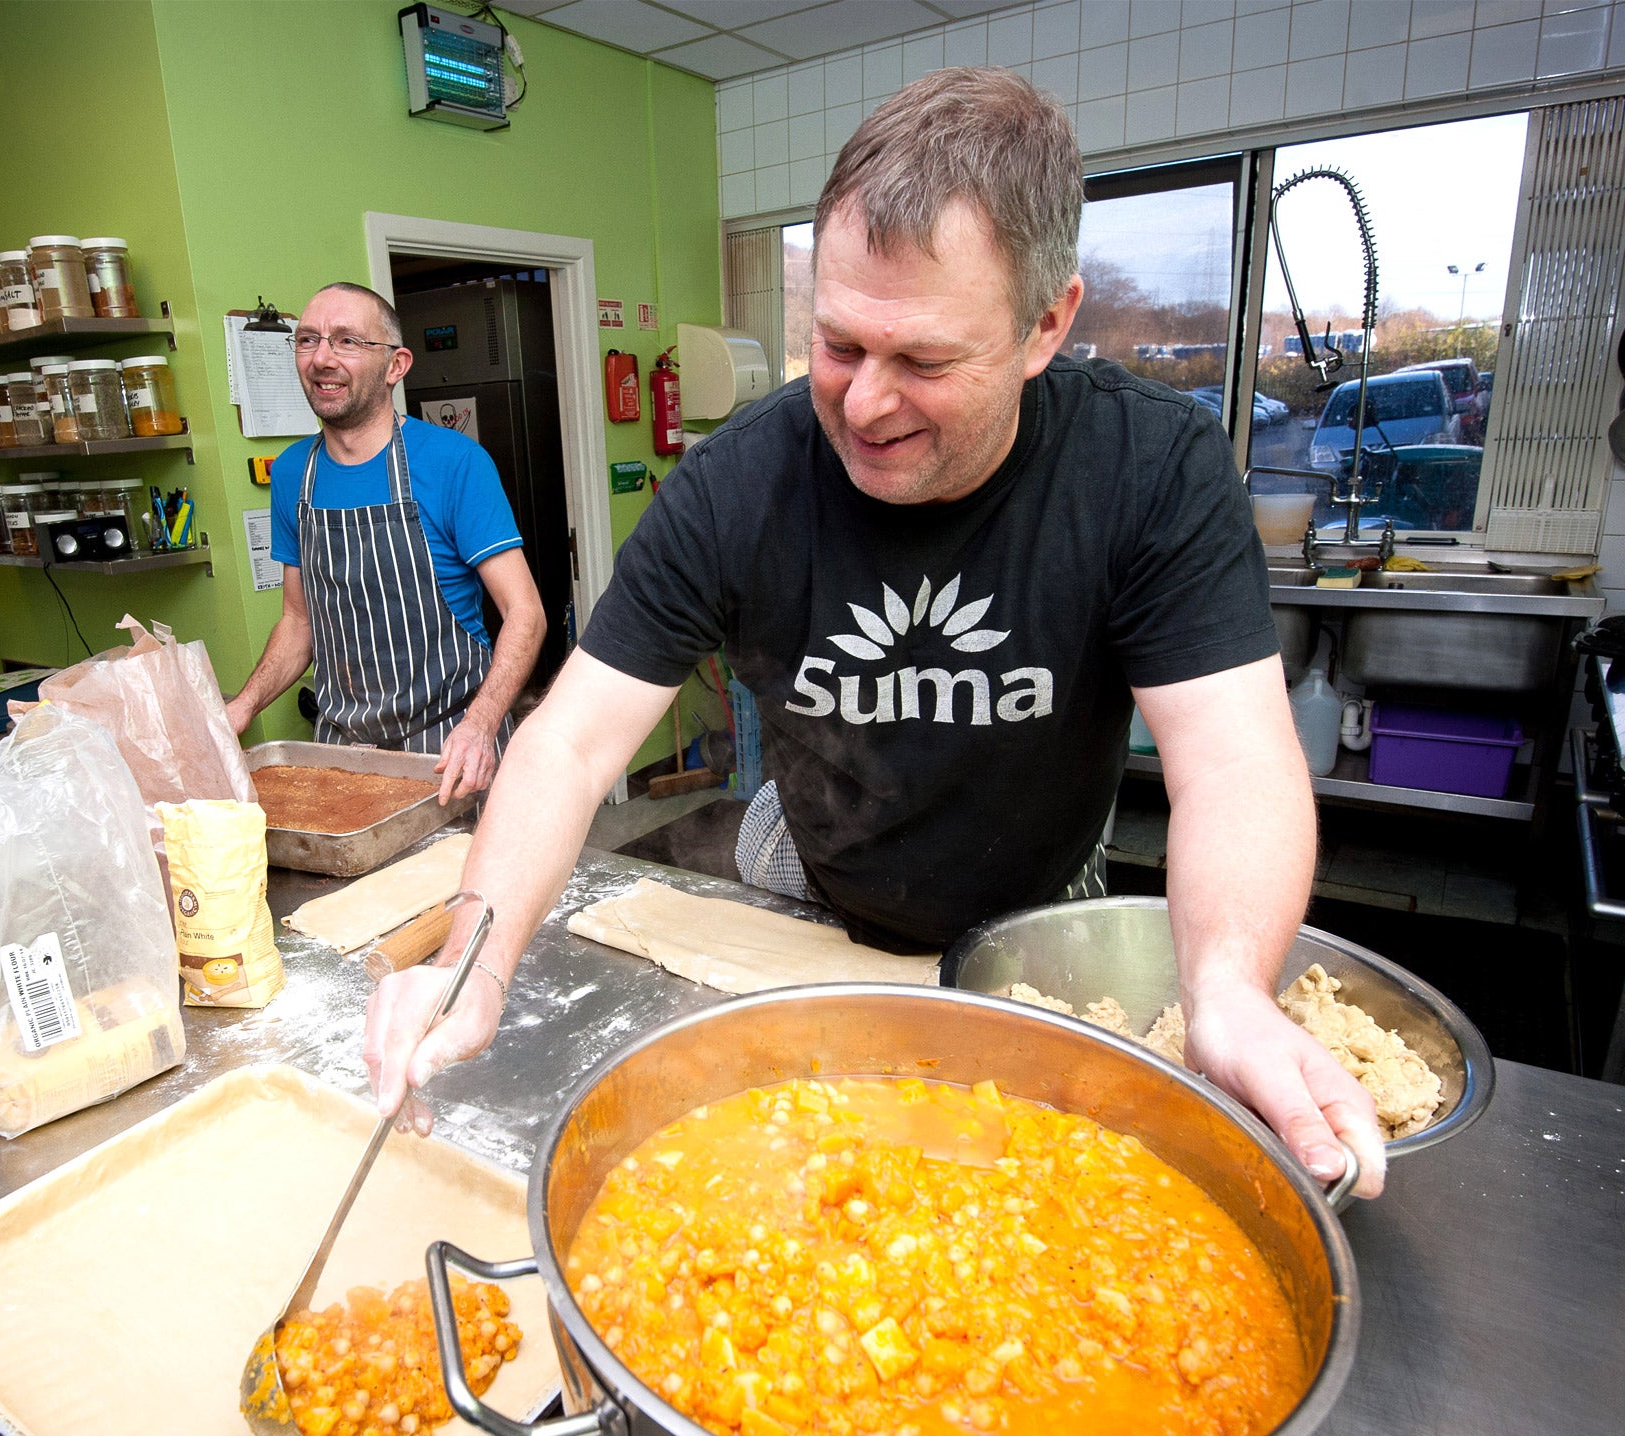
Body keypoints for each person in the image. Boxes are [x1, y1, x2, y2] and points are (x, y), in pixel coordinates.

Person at [365, 69, 1388, 1197]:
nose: (861, 404)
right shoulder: (733, 485)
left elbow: (1235, 762)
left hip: (1039, 911)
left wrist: (1230, 991)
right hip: (810, 877)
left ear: (1045, 323)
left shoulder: (1147, 471)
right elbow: (568, 743)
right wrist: (475, 956)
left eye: (924, 361)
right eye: (839, 347)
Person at [224, 282, 546, 803]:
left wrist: (482, 724)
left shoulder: (453, 463)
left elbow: (525, 614)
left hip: (452, 747)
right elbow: (298, 621)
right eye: (307, 340)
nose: (322, 358)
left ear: (396, 366)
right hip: (341, 754)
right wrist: (244, 705)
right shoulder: (291, 476)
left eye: (347, 341)